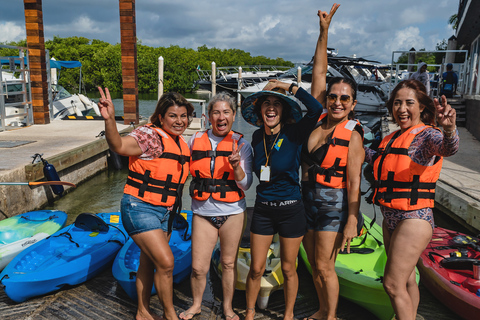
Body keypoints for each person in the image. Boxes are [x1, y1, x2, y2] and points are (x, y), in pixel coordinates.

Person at [365, 79, 459, 320]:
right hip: (391, 217)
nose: (402, 109)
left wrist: (449, 130)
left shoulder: (427, 136)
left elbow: (447, 148)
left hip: (414, 218)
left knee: (392, 284)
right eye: (397, 103)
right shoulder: (391, 138)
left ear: (421, 108)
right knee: (406, 281)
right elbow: (371, 156)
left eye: (409, 103)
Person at [98, 87, 194, 320]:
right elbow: (119, 146)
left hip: (166, 212)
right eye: (173, 115)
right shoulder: (150, 136)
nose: (179, 121)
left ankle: (142, 311)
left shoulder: (181, 143)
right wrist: (110, 119)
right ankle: (170, 315)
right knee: (166, 262)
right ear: (161, 117)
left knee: (148, 260)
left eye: (183, 116)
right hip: (139, 207)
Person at [301, 4, 365, 320]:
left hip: (333, 203)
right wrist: (323, 32)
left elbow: (355, 181)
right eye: (333, 96)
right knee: (314, 262)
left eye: (344, 98)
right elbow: (319, 72)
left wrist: (352, 220)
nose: (337, 102)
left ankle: (331, 316)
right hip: (307, 199)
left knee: (326, 265)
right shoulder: (317, 119)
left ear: (352, 104)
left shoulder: (352, 134)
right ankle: (321, 309)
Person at [241, 79, 323, 320]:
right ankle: (249, 312)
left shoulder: (295, 133)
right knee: (256, 269)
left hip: (291, 210)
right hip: (264, 210)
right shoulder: (256, 138)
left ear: (284, 110)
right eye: (266, 103)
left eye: (277, 104)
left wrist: (288, 86)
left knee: (288, 268)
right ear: (259, 110)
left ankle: (288, 315)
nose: (271, 107)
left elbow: (317, 109)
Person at [180, 92, 253, 320]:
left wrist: (236, 166)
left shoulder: (242, 145)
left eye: (226, 112)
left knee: (229, 264)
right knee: (198, 268)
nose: (221, 117)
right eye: (216, 112)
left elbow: (246, 184)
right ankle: (196, 305)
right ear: (208, 116)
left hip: (232, 213)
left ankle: (228, 308)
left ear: (233, 115)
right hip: (203, 214)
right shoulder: (194, 141)